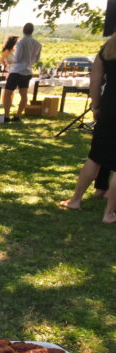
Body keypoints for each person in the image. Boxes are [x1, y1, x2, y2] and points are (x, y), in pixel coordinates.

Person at [59, 33, 116, 224]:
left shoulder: (108, 47)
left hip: (108, 107)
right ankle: (109, 213)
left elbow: (95, 81)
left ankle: (75, 199)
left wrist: (96, 106)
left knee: (95, 156)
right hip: (108, 107)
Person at [3, 23, 41, 121]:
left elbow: (18, 58)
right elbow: (36, 60)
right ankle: (17, 115)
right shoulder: (37, 44)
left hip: (16, 71)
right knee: (23, 94)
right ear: (32, 31)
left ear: (23, 30)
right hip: (28, 71)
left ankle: (6, 116)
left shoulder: (21, 42)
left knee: (7, 93)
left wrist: (11, 60)